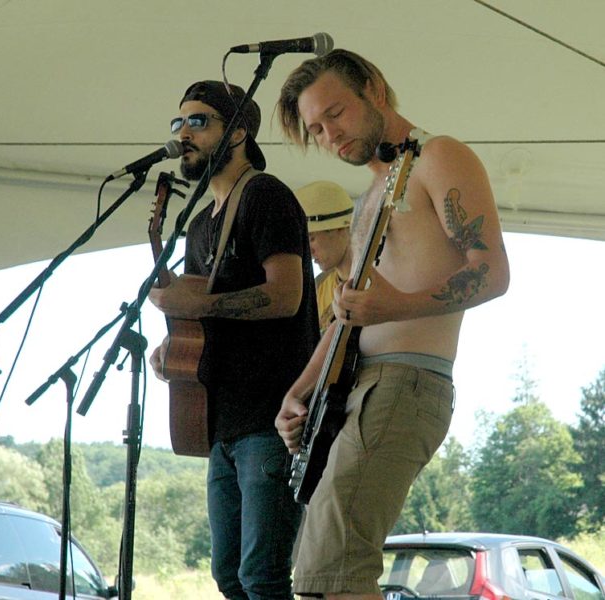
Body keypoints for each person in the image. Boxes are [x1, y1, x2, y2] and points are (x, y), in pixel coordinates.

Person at [274, 49, 510, 599]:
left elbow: (492, 273)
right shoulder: (368, 200)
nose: (329, 135)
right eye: (315, 129)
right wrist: (298, 391)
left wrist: (394, 307)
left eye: (335, 113)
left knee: (336, 570)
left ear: (374, 90)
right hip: (356, 388)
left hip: (406, 381)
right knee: (317, 575)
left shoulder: (439, 157)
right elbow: (347, 314)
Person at [148, 80, 319, 600]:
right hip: (219, 422)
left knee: (261, 578)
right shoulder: (200, 225)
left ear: (240, 131)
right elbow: (197, 311)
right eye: (178, 123)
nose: (183, 134)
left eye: (198, 121)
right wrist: (172, 350)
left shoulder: (265, 196)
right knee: (229, 578)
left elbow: (286, 295)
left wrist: (203, 305)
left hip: (270, 419)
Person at [295, 180, 354, 335]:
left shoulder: (380, 279)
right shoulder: (318, 287)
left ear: (341, 229)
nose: (307, 251)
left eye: (311, 238)